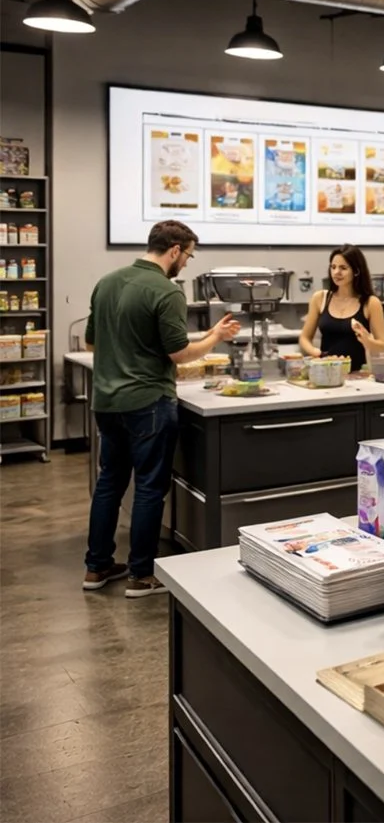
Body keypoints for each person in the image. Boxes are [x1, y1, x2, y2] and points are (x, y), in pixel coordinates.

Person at [83, 220, 241, 597]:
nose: (185, 263)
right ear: (174, 250)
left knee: (109, 483)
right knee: (150, 488)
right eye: (187, 255)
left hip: (107, 402)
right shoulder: (165, 291)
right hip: (148, 403)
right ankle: (141, 574)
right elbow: (180, 353)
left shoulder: (106, 283)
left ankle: (97, 567)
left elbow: (92, 344)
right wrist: (215, 337)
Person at [298, 244, 384, 370]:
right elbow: (304, 337)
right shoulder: (320, 298)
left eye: (343, 268)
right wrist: (314, 351)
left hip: (359, 375)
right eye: (333, 267)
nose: (336, 272)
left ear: (356, 271)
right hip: (326, 371)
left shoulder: (371, 303)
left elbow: (381, 345)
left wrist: (367, 340)